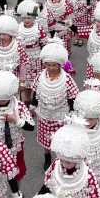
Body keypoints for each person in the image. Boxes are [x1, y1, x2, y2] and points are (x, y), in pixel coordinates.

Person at [38, 119, 100, 198]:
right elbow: (47, 185)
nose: (65, 164)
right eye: (63, 160)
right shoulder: (56, 165)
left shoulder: (87, 175)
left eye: (69, 162)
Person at [31, 40, 79, 170]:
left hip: (61, 115)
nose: (51, 67)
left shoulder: (67, 79)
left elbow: (73, 96)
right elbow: (35, 90)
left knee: (61, 140)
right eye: (48, 65)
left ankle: (60, 160)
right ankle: (47, 156)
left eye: (54, 65)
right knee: (45, 138)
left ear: (60, 65)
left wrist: (72, 113)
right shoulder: (40, 76)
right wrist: (32, 105)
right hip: (44, 114)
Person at [0, 71, 35, 184]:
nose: (0, 101)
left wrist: (17, 120)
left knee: (16, 172)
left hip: (15, 145)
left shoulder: (19, 106)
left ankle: (16, 197)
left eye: (3, 98)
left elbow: (31, 126)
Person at [16, 0, 47, 105]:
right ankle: (26, 102)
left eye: (29, 18)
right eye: (24, 18)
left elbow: (44, 44)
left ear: (34, 17)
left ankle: (34, 101)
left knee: (36, 83)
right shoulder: (18, 28)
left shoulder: (39, 28)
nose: (26, 20)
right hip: (23, 61)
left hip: (36, 60)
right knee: (24, 84)